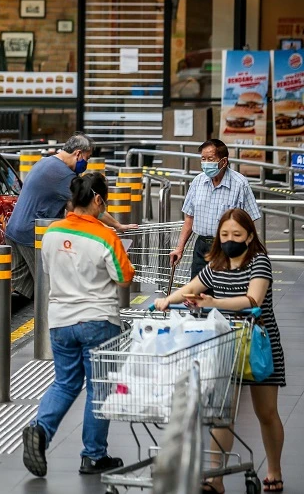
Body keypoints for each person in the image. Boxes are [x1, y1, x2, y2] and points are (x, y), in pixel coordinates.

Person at [155, 208, 285, 493]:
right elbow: (192, 287)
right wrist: (167, 300)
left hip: (258, 344)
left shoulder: (259, 262)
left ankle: (274, 470)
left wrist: (213, 303)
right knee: (222, 414)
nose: (229, 240)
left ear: (249, 236)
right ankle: (216, 478)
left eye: (236, 234)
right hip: (225, 345)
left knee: (266, 412)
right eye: (224, 234)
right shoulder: (217, 264)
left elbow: (253, 299)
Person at [0, 132, 137, 335]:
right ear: (78, 153)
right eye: (86, 158)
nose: (85, 164)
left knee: (11, 281)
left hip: (15, 229)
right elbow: (87, 206)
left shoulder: (46, 163)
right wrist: (117, 225)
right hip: (32, 235)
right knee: (53, 285)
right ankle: (58, 332)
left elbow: (71, 206)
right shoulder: (63, 175)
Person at [21, 173, 135, 477]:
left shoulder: (52, 233)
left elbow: (49, 269)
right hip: (98, 320)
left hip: (60, 322)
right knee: (99, 387)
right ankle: (94, 455)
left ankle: (40, 429)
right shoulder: (106, 236)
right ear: (98, 200)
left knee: (65, 383)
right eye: (104, 201)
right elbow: (124, 277)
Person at [169, 139, 261, 280]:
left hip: (227, 247)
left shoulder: (239, 184)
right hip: (201, 247)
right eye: (203, 159)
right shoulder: (198, 182)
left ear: (223, 162)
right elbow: (189, 218)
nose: (206, 163)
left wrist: (247, 254)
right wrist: (179, 248)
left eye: (210, 159)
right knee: (197, 290)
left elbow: (250, 222)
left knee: (222, 289)